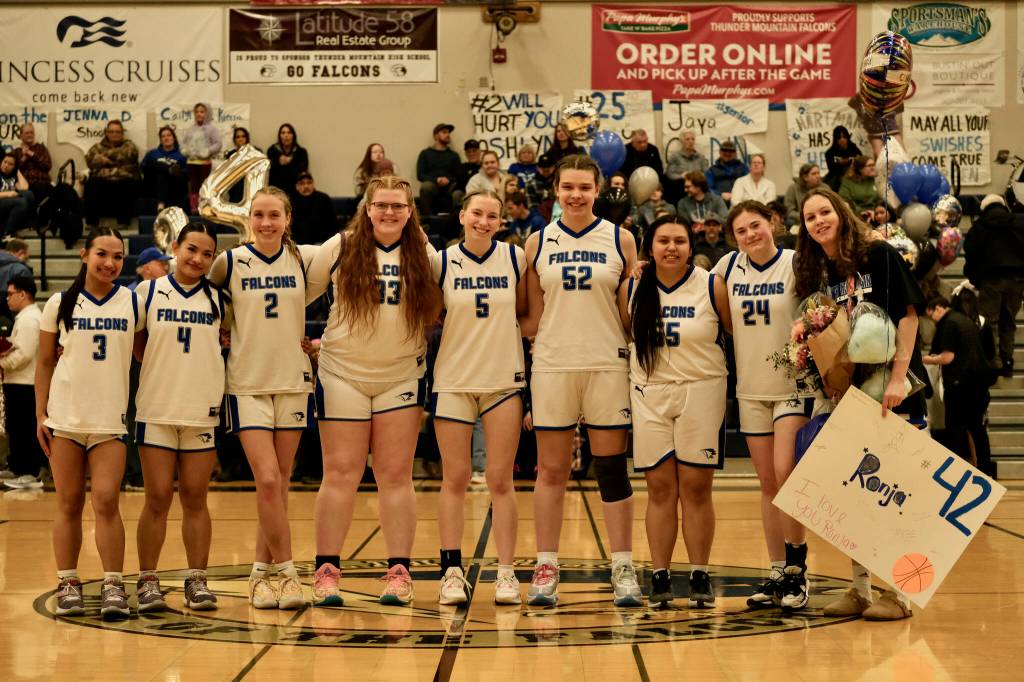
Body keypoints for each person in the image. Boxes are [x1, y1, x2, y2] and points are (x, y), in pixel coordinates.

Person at [304, 175, 441, 607]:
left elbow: (442, 303)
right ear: (367, 207)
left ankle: (399, 572)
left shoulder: (425, 254)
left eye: (398, 206)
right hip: (343, 372)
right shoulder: (341, 247)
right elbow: (296, 294)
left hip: (400, 376)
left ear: (409, 210)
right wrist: (296, 341)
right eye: (380, 205)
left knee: (395, 475)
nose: (388, 213)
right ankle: (326, 571)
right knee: (341, 472)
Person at [796, 186, 925, 621]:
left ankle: (901, 594)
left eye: (824, 211)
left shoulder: (878, 254)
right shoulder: (825, 273)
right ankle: (860, 589)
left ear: (841, 211)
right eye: (810, 217)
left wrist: (897, 377)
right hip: (853, 395)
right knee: (856, 495)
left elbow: (908, 315)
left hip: (894, 391)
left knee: (897, 496)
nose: (819, 221)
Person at [520, 154, 642, 607]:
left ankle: (623, 565)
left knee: (611, 469)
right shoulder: (536, 243)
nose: (575, 195)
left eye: (583, 188)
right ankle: (546, 564)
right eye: (567, 187)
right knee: (551, 470)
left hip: (607, 363)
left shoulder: (622, 239)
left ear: (597, 190)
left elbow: (630, 314)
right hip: (552, 364)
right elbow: (531, 318)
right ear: (556, 191)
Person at [208, 186, 316, 610]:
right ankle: (287, 573)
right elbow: (202, 302)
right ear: (248, 220)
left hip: (292, 380)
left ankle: (258, 573)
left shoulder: (304, 259)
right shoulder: (229, 261)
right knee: (268, 480)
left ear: (288, 219)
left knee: (280, 485)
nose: (267, 222)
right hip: (247, 383)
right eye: (259, 215)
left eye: (275, 215)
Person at [619, 215, 728, 607]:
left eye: (679, 241)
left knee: (697, 489)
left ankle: (700, 572)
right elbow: (624, 331)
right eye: (663, 240)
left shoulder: (712, 285)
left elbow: (733, 334)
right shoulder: (632, 286)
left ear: (690, 245)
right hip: (650, 392)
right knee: (660, 489)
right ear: (650, 246)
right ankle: (660, 574)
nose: (671, 248)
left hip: (701, 390)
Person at [35, 226, 143, 619]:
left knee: (107, 501)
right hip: (64, 417)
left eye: (118, 257)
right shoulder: (59, 303)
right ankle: (68, 582)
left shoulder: (132, 303)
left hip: (109, 419)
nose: (110, 263)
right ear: (84, 255)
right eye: (102, 254)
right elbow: (45, 362)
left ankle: (113, 583)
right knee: (67, 502)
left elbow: (148, 351)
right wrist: (40, 414)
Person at [714, 201, 816, 609]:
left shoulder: (796, 263)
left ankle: (797, 569)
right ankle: (776, 570)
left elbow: (817, 315)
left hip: (793, 385)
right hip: (751, 387)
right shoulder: (726, 269)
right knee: (768, 484)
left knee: (785, 473)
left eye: (755, 225)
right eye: (741, 231)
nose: (750, 235)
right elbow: (725, 322)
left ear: (772, 223)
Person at [431, 191, 527, 605]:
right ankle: (451, 571)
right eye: (477, 214)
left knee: (500, 481)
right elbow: (431, 316)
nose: (484, 221)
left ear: (500, 221)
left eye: (492, 216)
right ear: (462, 216)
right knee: (453, 479)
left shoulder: (515, 259)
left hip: (503, 381)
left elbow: (528, 314)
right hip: (453, 379)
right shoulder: (442, 261)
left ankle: (506, 573)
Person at [132, 223, 225, 612]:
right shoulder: (148, 291)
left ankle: (196, 580)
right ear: (174, 247)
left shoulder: (220, 298)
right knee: (156, 498)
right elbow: (137, 344)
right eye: (191, 249)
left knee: (195, 498)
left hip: (202, 410)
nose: (198, 259)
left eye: (207, 254)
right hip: (156, 407)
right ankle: (147, 579)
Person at [924, 295, 992, 472]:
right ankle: (985, 470)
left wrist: (925, 359)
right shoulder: (964, 320)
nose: (932, 321)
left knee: (955, 428)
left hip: (960, 384)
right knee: (977, 428)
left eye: (932, 316)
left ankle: (957, 471)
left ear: (939, 308)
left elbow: (948, 357)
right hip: (978, 383)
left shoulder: (948, 324)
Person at [963, 194, 1024, 378]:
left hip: (991, 280)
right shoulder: (1020, 223)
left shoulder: (979, 227)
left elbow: (971, 256)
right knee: (1009, 322)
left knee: (988, 322)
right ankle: (1007, 361)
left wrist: (974, 279)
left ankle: (991, 360)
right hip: (1017, 279)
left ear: (984, 208)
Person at [1, 275, 45, 489]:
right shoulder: (26, 317)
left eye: (10, 294)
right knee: (17, 428)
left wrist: (2, 363)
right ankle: (19, 467)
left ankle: (29, 471)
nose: (7, 299)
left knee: (24, 428)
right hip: (19, 382)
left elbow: (23, 354)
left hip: (25, 383)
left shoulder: (29, 319)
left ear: (22, 294)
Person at [84, 121, 140, 228]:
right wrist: (118, 162)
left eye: (118, 132)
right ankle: (91, 223)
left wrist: (103, 159)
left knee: (125, 184)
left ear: (122, 133)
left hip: (124, 180)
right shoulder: (97, 147)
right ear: (106, 133)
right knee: (92, 184)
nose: (114, 134)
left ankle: (123, 222)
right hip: (103, 181)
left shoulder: (129, 145)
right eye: (111, 131)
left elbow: (128, 155)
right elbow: (90, 161)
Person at [179, 103, 223, 212]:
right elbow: (183, 143)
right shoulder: (190, 129)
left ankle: (205, 207)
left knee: (204, 185)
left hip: (204, 163)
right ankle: (194, 208)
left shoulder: (211, 129)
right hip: (191, 162)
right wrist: (185, 150)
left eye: (202, 111)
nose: (199, 114)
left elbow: (218, 143)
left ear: (207, 113)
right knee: (193, 186)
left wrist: (208, 151)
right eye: (197, 112)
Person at [11, 122, 52, 226]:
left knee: (43, 188)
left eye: (31, 132)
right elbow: (13, 169)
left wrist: (31, 154)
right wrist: (24, 157)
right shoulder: (16, 152)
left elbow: (47, 165)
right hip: (25, 184)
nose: (30, 135)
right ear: (21, 136)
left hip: (42, 182)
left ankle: (41, 223)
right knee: (28, 192)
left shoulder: (41, 149)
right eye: (26, 133)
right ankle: (30, 222)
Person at [140, 126, 188, 213]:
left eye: (169, 135)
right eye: (163, 136)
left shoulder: (181, 155)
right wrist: (165, 168)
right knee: (153, 164)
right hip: (153, 185)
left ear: (174, 137)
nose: (166, 138)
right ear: (160, 139)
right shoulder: (153, 153)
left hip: (173, 185)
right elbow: (144, 168)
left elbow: (185, 174)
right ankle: (169, 169)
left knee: (162, 175)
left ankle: (161, 204)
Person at [416, 123, 462, 214]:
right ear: (436, 136)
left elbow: (458, 175)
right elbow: (420, 175)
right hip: (433, 184)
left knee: (459, 193)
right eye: (444, 132)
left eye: (448, 133)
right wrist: (437, 180)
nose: (448, 135)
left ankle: (456, 223)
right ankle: (428, 221)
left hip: (450, 186)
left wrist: (448, 180)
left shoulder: (454, 155)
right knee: (425, 187)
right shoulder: (425, 153)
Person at [291, 171, 339, 245]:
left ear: (313, 184)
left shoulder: (324, 199)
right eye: (302, 183)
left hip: (322, 242)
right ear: (297, 186)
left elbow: (333, 224)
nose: (306, 186)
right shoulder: (291, 201)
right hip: (298, 244)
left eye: (309, 183)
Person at [665, 131, 709, 204]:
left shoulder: (700, 157)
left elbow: (707, 173)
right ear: (682, 142)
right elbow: (669, 174)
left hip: (698, 188)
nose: (691, 141)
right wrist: (681, 176)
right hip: (681, 189)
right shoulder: (675, 156)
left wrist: (698, 176)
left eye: (692, 139)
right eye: (687, 139)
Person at [267, 123, 309, 198]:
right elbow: (269, 172)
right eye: (283, 133)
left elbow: (302, 172)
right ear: (279, 136)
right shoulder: (272, 151)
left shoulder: (301, 152)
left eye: (289, 133)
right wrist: (279, 163)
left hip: (296, 192)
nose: (286, 135)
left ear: (293, 135)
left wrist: (290, 163)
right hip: (276, 191)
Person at [0, 152, 34, 236]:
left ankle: (26, 224)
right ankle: (8, 233)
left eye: (10, 164)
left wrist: (17, 171)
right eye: (5, 162)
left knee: (29, 194)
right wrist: (8, 194)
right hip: (1, 200)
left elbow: (25, 187)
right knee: (21, 202)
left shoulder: (13, 175)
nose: (6, 165)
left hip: (10, 202)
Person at [705, 140, 748, 204]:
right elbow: (708, 189)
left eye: (731, 151)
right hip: (719, 202)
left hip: (741, 202)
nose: (727, 153)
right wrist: (721, 194)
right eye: (724, 150)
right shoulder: (711, 170)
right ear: (719, 152)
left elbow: (749, 185)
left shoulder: (744, 168)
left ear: (735, 153)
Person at [824, 125, 862, 191]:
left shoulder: (853, 148)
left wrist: (854, 160)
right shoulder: (830, 152)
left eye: (844, 137)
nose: (842, 140)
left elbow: (862, 161)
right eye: (839, 138)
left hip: (854, 175)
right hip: (837, 178)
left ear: (847, 138)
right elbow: (832, 170)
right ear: (835, 140)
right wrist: (841, 163)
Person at [525, 153, 557, 222]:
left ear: (554, 167)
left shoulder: (559, 182)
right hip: (541, 219)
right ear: (537, 168)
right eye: (543, 167)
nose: (546, 169)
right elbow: (532, 208)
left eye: (548, 167)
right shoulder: (530, 184)